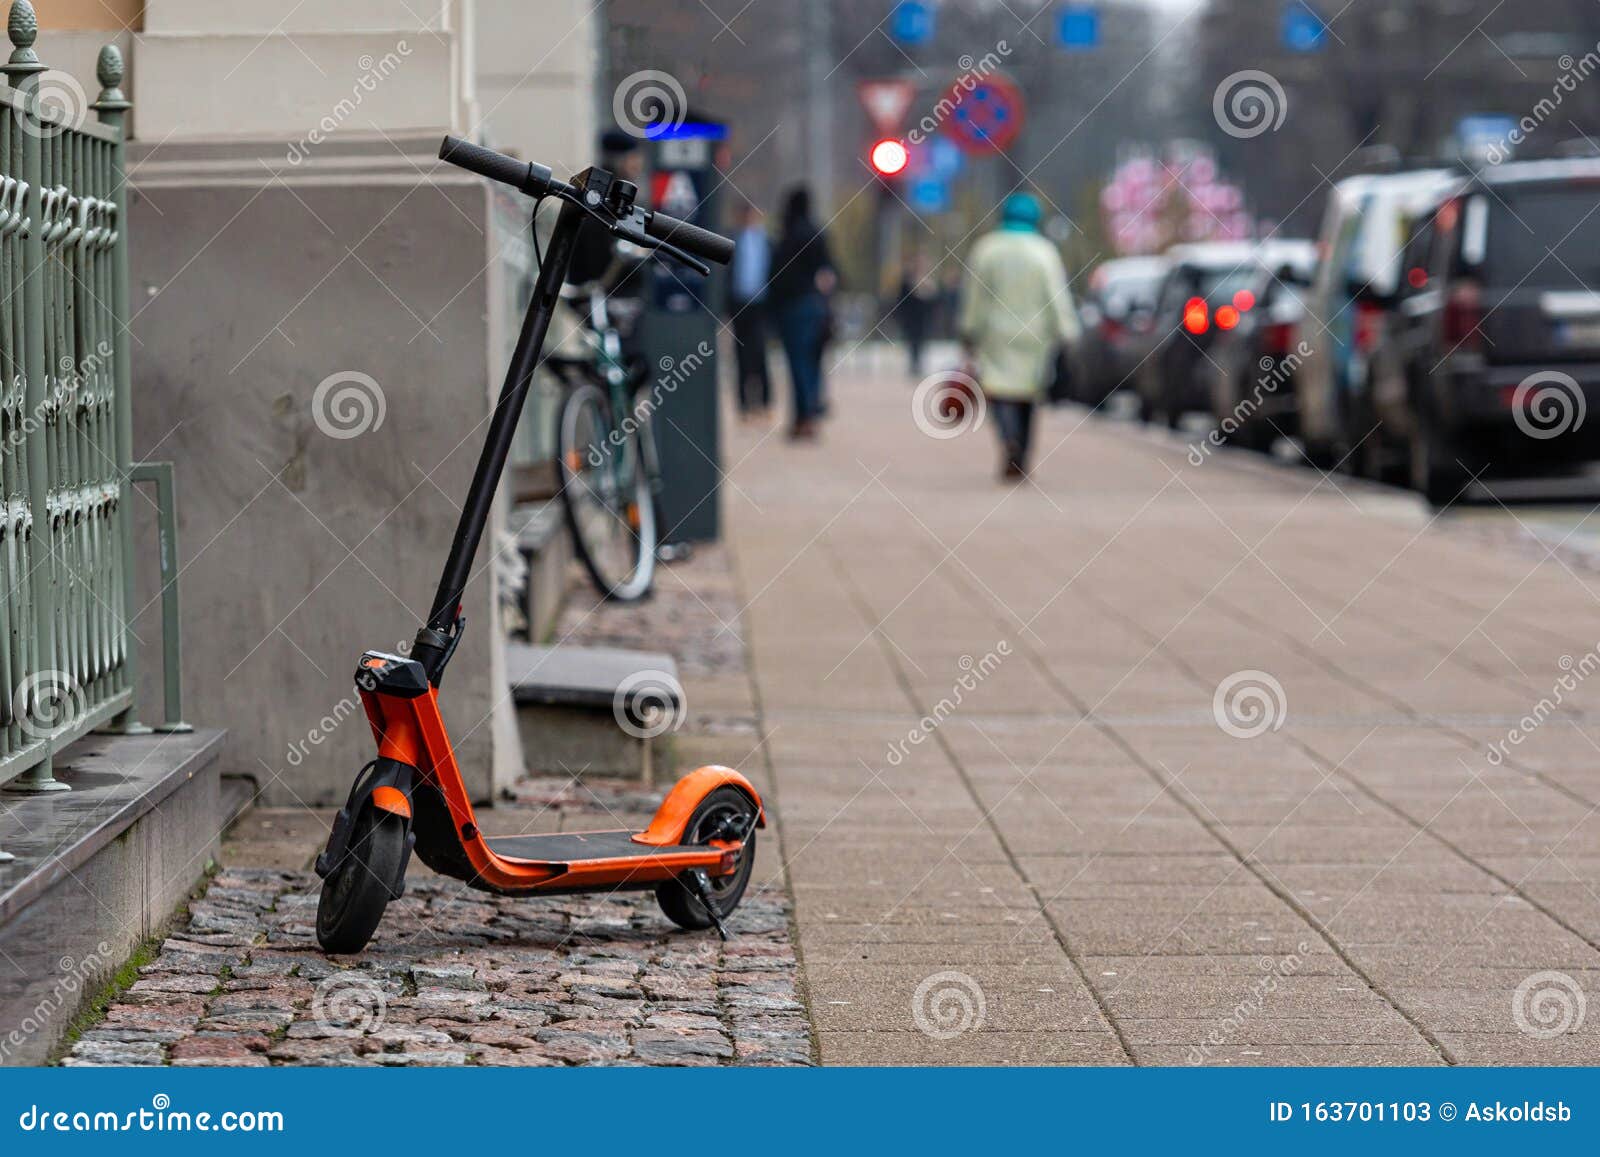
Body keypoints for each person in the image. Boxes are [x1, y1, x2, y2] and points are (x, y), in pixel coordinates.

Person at [958, 192, 1080, 481]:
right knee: (1028, 394)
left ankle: (1008, 439)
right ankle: (1022, 451)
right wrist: (1067, 331)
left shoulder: (986, 249)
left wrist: (968, 329)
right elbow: (1056, 296)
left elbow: (974, 295)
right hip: (1034, 334)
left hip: (996, 334)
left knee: (999, 391)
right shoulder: (1044, 252)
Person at [767, 185, 836, 440]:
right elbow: (829, 273)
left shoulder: (785, 236)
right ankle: (809, 413)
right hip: (814, 306)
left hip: (791, 308)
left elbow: (774, 276)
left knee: (797, 364)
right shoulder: (817, 234)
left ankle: (803, 416)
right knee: (813, 362)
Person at [727, 202, 773, 420]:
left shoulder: (766, 241)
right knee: (741, 355)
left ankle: (764, 403)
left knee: (761, 353)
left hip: (761, 305)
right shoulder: (733, 240)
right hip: (739, 304)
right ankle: (744, 405)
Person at [897, 251, 938, 377]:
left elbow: (934, 298)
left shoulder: (929, 279)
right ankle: (914, 364)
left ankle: (918, 363)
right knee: (912, 341)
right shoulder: (908, 279)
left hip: (923, 316)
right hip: (911, 316)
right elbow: (903, 297)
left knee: (921, 341)